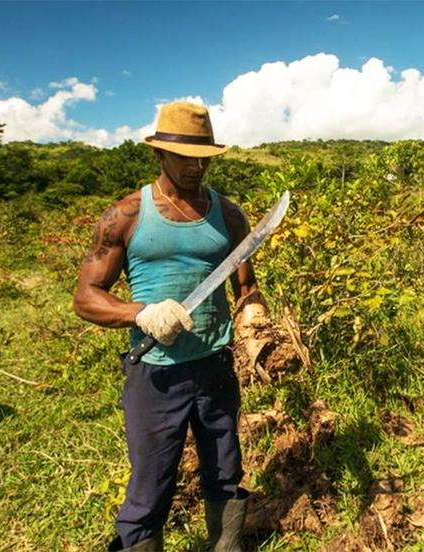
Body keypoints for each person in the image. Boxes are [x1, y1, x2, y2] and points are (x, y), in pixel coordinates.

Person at [73, 101, 271, 552]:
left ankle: (226, 545)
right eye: (185, 157)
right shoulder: (126, 215)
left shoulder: (231, 215)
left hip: (216, 368)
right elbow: (85, 296)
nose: (197, 167)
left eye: (204, 157)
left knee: (225, 470)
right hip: (155, 373)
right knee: (151, 484)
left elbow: (246, 285)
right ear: (160, 154)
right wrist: (140, 313)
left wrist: (254, 317)